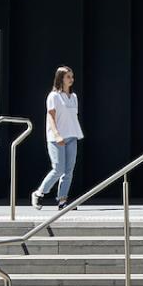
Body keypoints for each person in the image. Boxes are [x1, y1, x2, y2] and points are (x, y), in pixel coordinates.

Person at [32, 65, 82, 210]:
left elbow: (73, 117)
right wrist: (57, 134)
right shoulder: (53, 96)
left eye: (72, 77)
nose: (71, 79)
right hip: (56, 138)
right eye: (68, 77)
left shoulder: (73, 97)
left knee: (69, 171)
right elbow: (51, 117)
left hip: (72, 136)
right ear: (61, 78)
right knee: (58, 169)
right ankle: (39, 193)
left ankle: (62, 200)